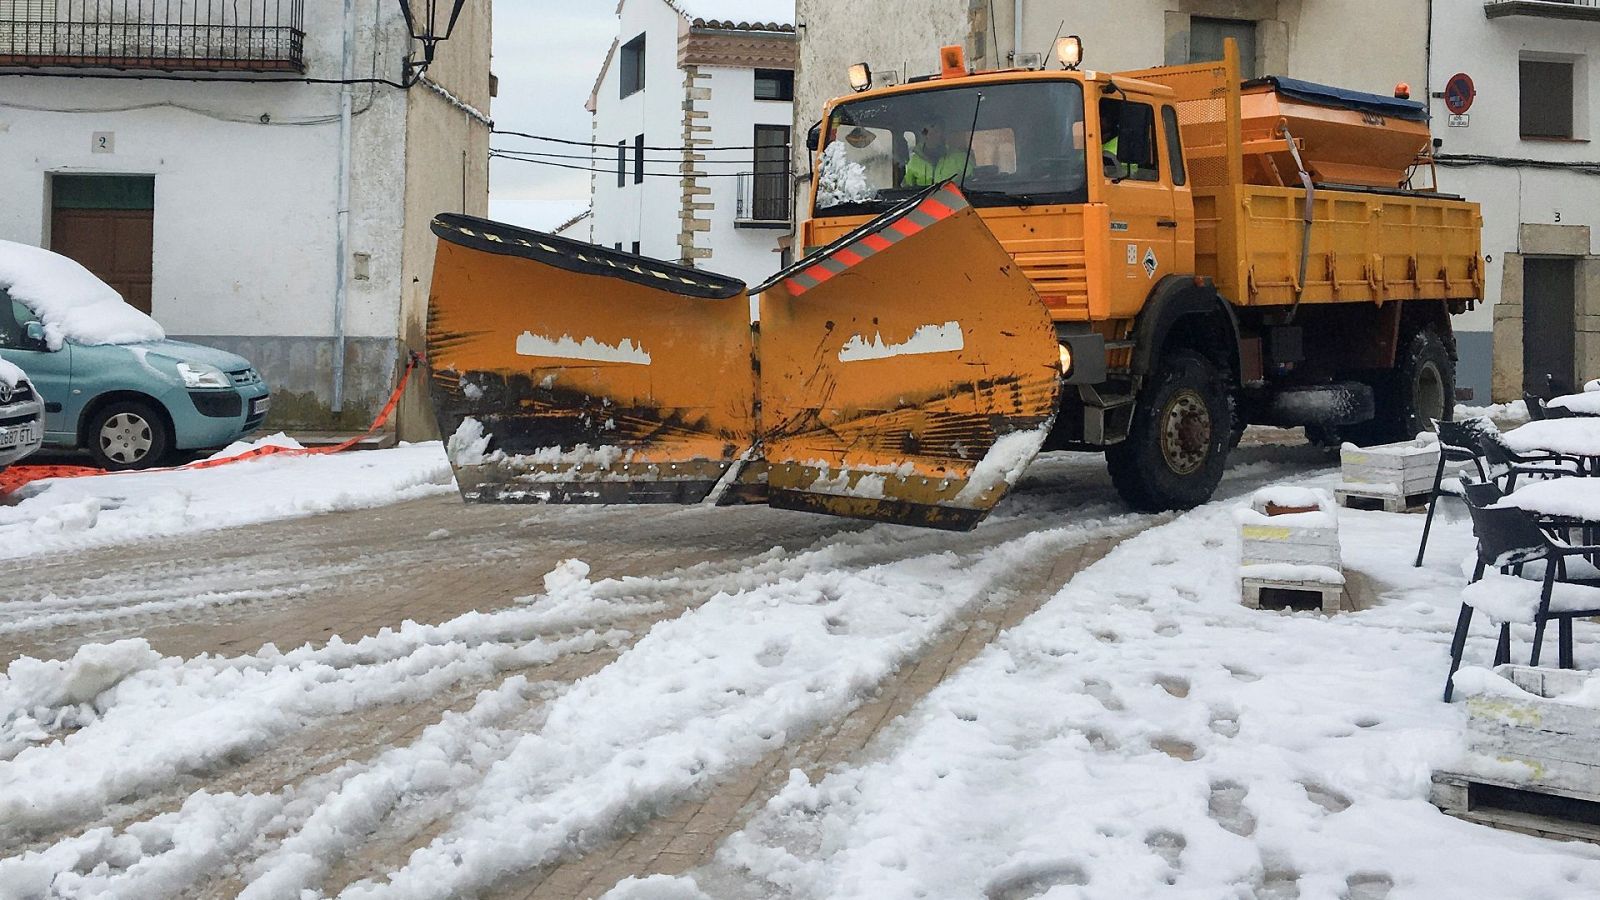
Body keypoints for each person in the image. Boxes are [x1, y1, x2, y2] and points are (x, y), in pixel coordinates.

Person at [902, 121, 973, 187]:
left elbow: (973, 184)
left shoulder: (960, 158)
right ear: (923, 135)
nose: (931, 135)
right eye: (926, 132)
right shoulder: (914, 161)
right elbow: (906, 190)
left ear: (943, 134)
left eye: (936, 131)